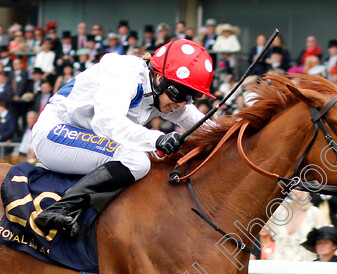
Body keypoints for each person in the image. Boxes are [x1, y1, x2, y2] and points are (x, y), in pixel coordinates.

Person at [31, 39, 214, 237]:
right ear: (160, 78)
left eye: (191, 98)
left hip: (85, 136)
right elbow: (106, 122)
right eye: (180, 95)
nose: (182, 104)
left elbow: (206, 128)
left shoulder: (161, 92)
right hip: (55, 132)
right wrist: (157, 139)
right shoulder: (124, 73)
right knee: (137, 161)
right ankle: (61, 208)